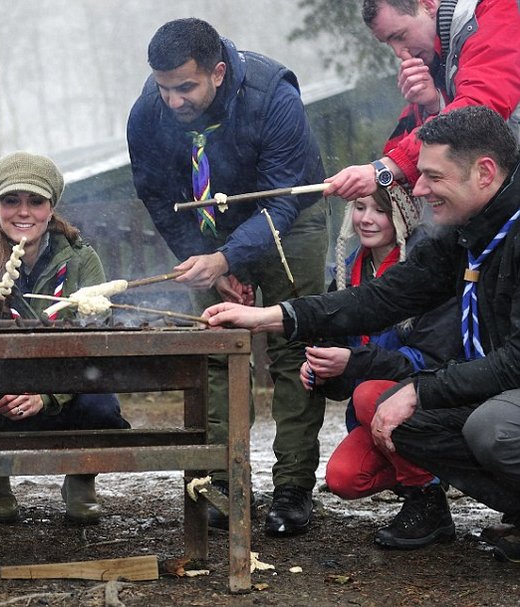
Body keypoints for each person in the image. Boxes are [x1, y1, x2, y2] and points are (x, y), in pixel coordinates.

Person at [203, 106, 520, 563]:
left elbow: (516, 360)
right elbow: (381, 299)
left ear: (484, 172)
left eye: (432, 176)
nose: (421, 188)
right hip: (500, 388)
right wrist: (271, 316)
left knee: (491, 429)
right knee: (405, 421)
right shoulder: (468, 233)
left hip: (510, 392)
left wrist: (421, 388)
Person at [126, 17, 329, 536]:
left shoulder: (273, 94)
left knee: (291, 346)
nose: (172, 101)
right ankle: (222, 483)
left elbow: (281, 199)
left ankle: (292, 488)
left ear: (217, 72)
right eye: (163, 87)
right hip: (208, 231)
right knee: (216, 350)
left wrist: (230, 257)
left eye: (185, 87)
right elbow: (158, 198)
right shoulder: (147, 115)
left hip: (290, 216)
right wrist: (208, 263)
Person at [0, 151, 130, 525]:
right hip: (0, 391)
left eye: (35, 201)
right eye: (12, 201)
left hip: (64, 389)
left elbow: (93, 336)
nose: (23, 212)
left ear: (51, 207)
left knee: (101, 404)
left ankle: (81, 479)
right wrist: (8, 386)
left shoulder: (81, 261)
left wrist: (46, 395)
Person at [308, 184, 462, 548]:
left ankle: (428, 495)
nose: (366, 219)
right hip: (373, 408)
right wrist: (322, 371)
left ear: (403, 215)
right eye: (359, 208)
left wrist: (352, 364)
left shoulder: (429, 268)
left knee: (366, 394)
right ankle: (416, 478)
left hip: (432, 400)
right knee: (344, 477)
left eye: (379, 210)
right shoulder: (348, 273)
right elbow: (340, 359)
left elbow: (428, 362)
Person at [325, 0, 520, 201]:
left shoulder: (494, 9)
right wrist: (435, 104)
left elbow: (478, 111)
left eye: (400, 36)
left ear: (427, 5)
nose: (399, 53)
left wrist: (384, 168)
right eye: (389, 44)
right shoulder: (442, 48)